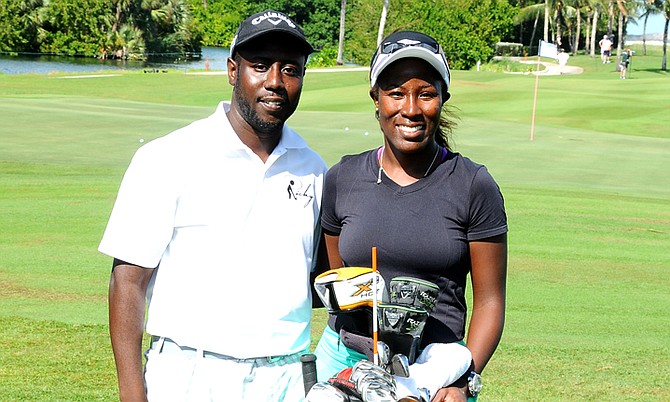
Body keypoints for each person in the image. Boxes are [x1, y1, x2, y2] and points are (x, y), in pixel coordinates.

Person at [99, 10, 327, 402]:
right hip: (190, 374)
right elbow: (128, 283)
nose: (275, 82)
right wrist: (132, 393)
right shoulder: (167, 157)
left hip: (288, 379)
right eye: (260, 66)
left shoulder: (314, 169)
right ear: (232, 70)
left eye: (291, 69)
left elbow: (318, 280)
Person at [312, 31, 508, 402]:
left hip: (434, 370)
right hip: (343, 361)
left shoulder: (473, 185)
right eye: (396, 92)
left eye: (426, 93)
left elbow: (490, 301)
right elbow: (336, 280)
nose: (411, 109)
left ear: (443, 98)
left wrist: (466, 380)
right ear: (376, 98)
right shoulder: (343, 178)